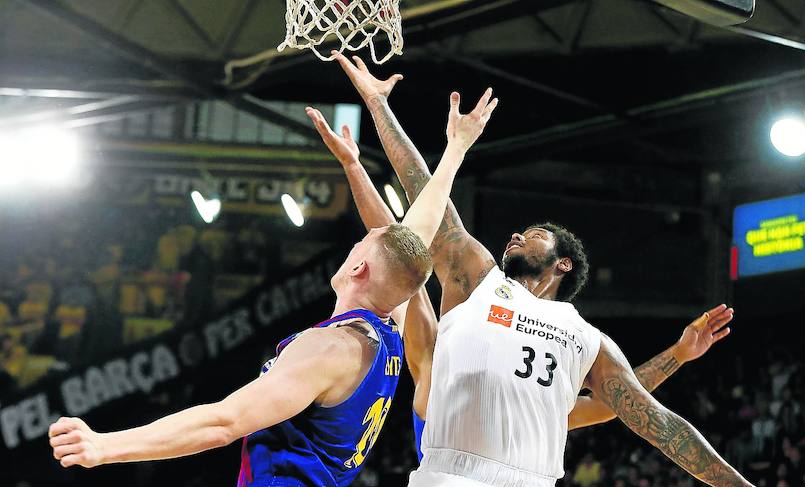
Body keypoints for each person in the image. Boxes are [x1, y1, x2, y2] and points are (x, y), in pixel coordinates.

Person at [334, 51, 752, 487]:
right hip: (450, 476)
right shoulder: (478, 281)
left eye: (534, 234)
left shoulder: (586, 339)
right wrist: (379, 105)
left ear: (563, 263)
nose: (517, 234)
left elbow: (655, 420)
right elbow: (421, 188)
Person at [47, 87, 499, 487]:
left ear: (358, 266)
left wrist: (105, 446)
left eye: (362, 240)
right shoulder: (388, 334)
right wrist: (448, 151)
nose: (359, 238)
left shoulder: (330, 349)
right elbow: (415, 237)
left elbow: (222, 424)